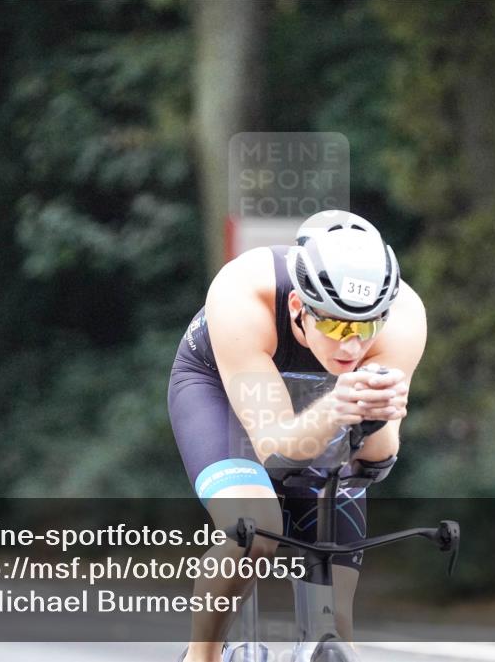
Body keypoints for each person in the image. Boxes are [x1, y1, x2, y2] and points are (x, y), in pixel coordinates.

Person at [167, 210, 427, 662]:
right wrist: (338, 406)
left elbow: (374, 462)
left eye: (366, 327)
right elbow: (275, 450)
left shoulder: (403, 317)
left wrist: (380, 419)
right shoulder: (243, 292)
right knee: (255, 528)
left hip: (326, 404)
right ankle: (202, 655)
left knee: (334, 619)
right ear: (297, 308)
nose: (351, 346)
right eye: (335, 325)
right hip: (222, 391)